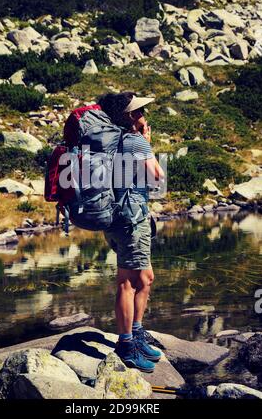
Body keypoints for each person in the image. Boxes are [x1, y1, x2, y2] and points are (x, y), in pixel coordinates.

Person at [98, 92, 164, 373]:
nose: (144, 113)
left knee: (145, 277)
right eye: (138, 111)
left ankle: (136, 334)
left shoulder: (109, 144)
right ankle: (126, 345)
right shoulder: (135, 141)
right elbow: (157, 176)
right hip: (130, 220)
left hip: (116, 221)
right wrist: (147, 144)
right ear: (128, 117)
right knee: (127, 282)